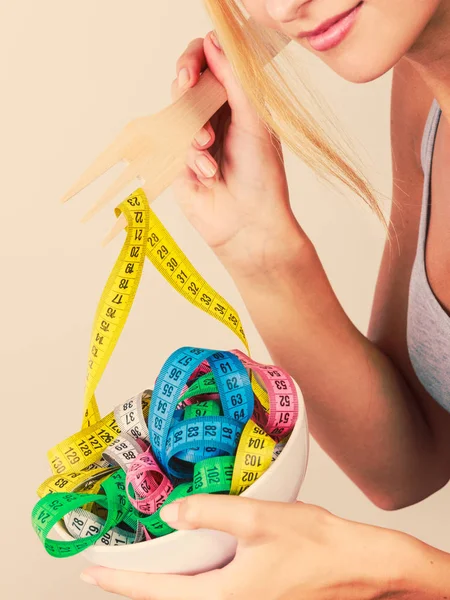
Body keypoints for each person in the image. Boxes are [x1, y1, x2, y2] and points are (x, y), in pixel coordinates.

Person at [80, 1, 450, 597]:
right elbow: (411, 456)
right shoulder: (426, 89)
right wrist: (257, 243)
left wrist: (394, 577)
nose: (282, 6)